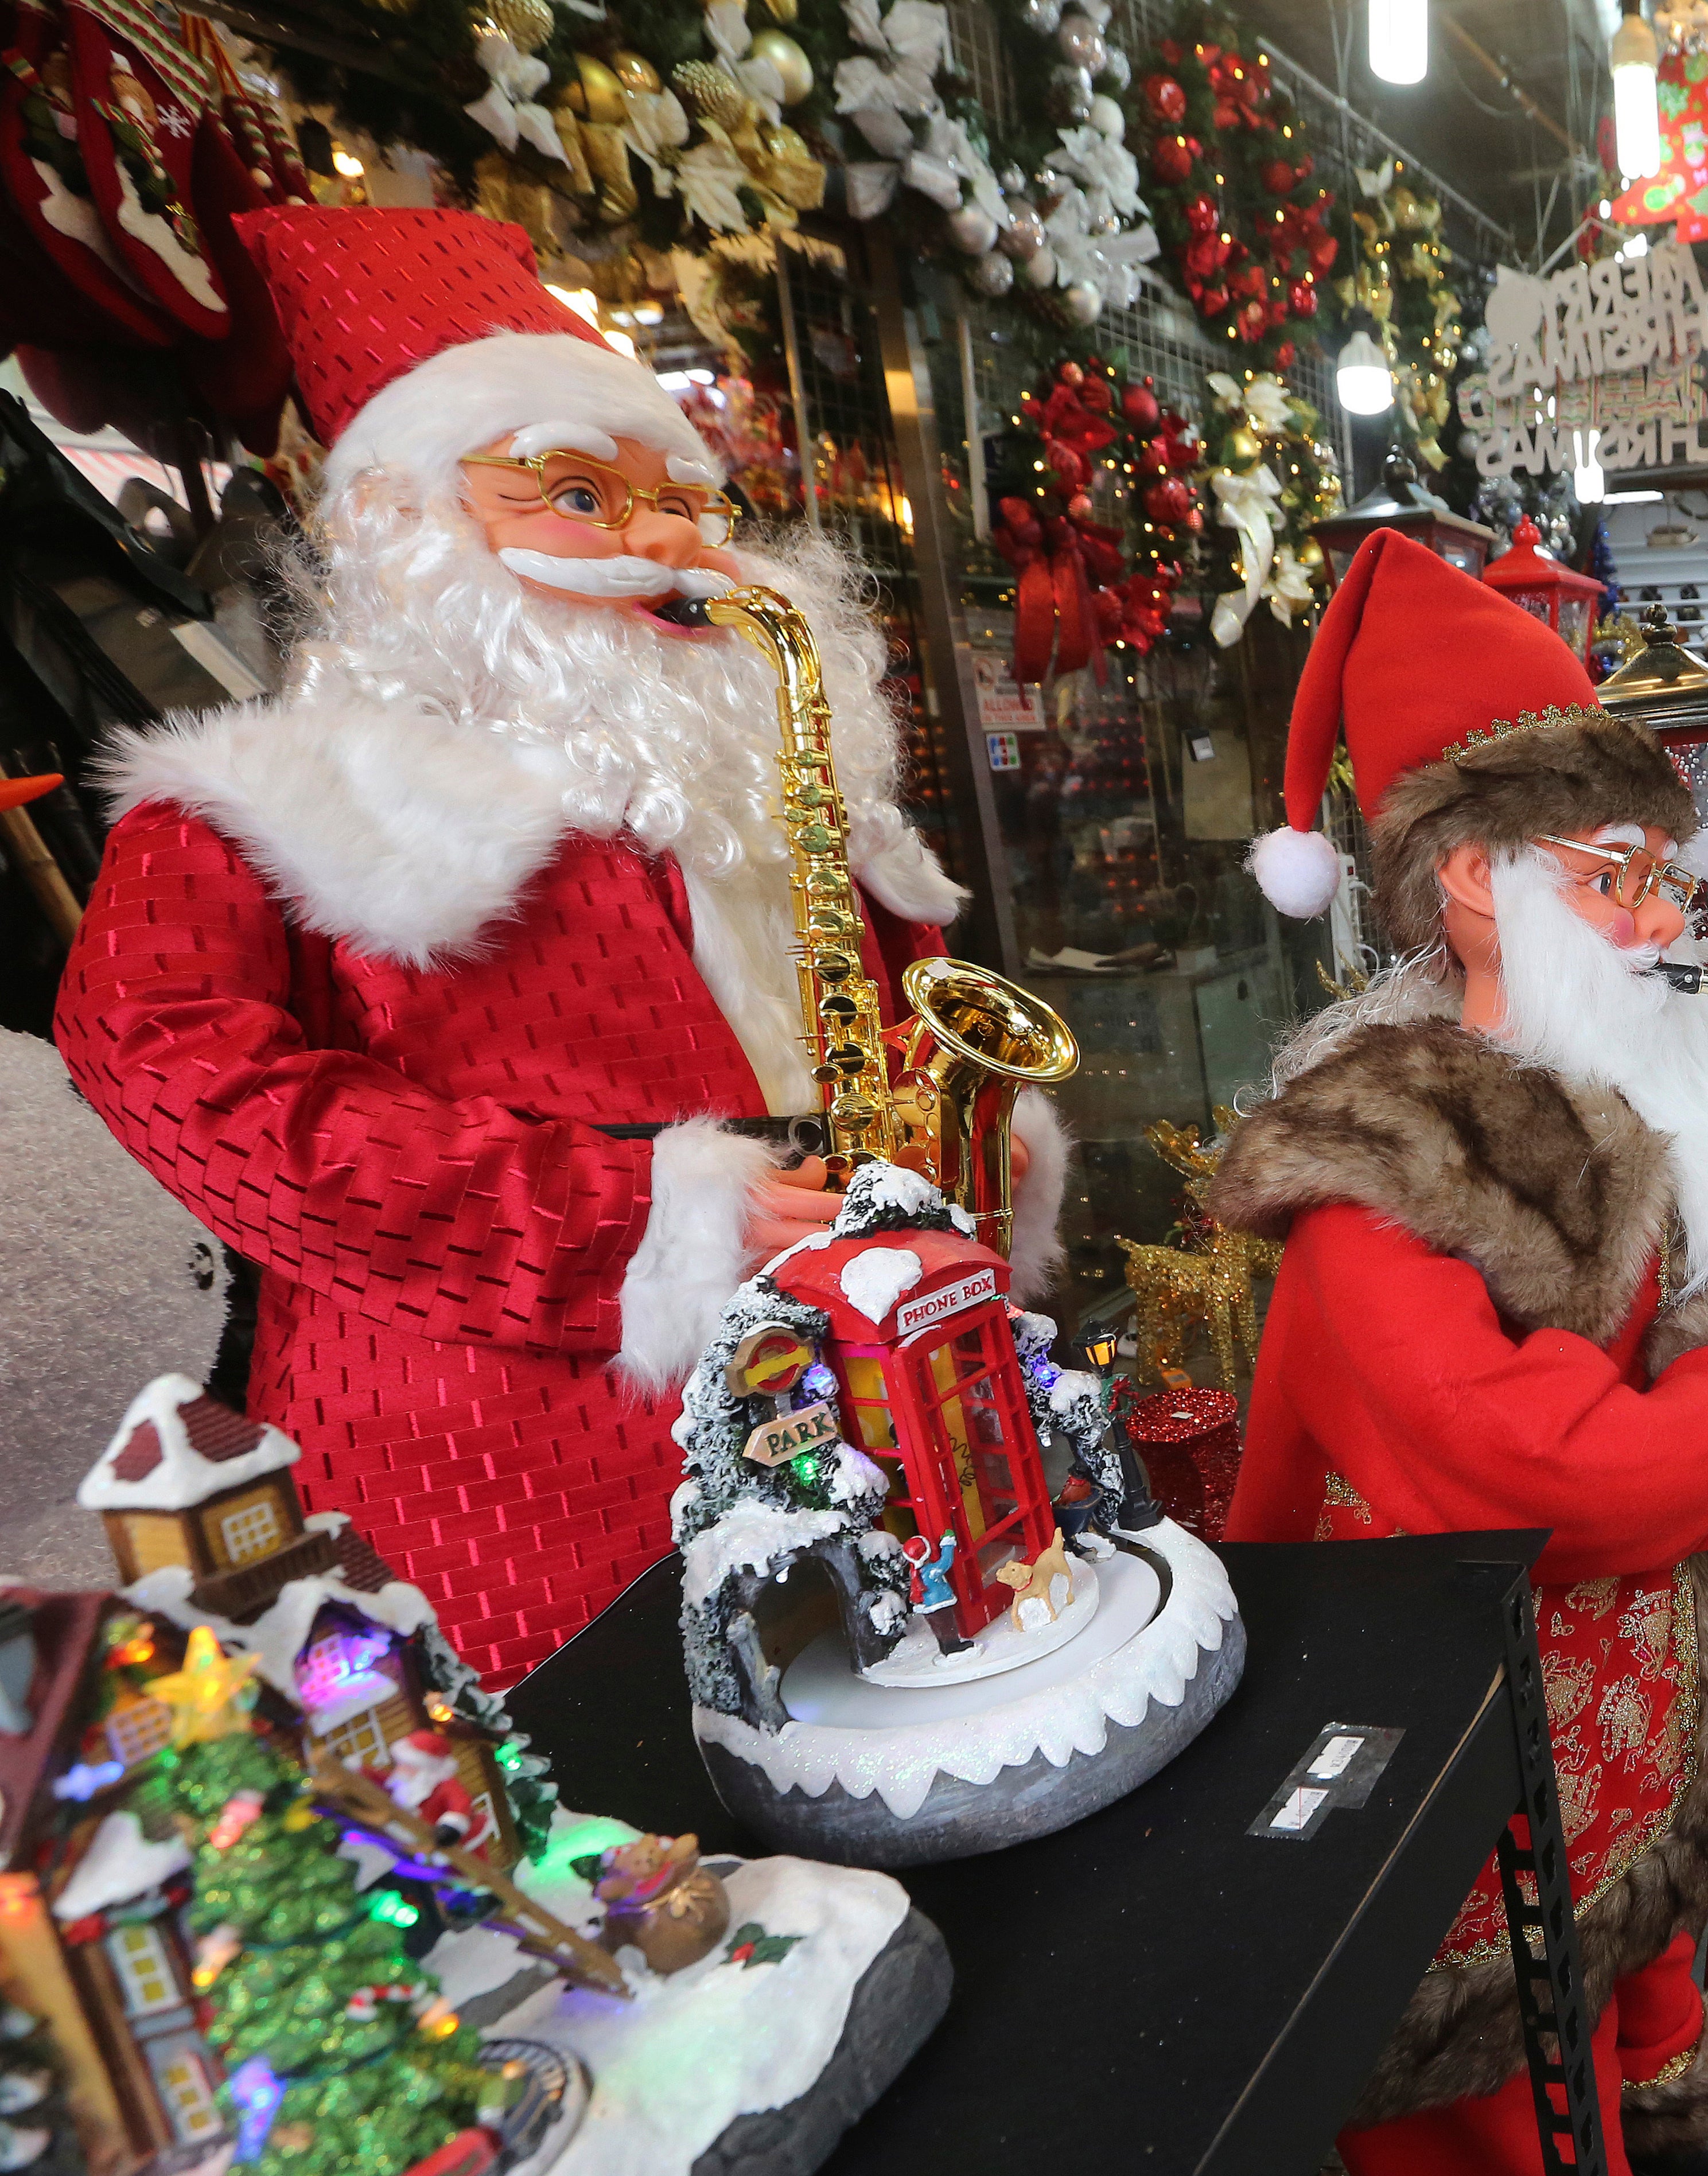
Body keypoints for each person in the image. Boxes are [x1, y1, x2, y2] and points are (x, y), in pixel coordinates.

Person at [52, 208, 1056, 1687]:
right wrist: (628, 1217)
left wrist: (970, 1140)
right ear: (408, 532)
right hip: (515, 1481)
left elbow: (906, 1003)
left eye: (681, 500)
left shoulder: (764, 754)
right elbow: (162, 1065)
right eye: (577, 494)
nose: (662, 544)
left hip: (861, 1392)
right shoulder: (267, 800)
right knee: (632, 1823)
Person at [1208, 532, 1708, 2176]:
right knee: (1504, 2085)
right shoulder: (1381, 1174)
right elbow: (1537, 1464)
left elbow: (1625, 1355)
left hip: (1586, 1679)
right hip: (1441, 1736)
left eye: (1656, 879)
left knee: (1632, 1924)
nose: (1662, 924)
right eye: (1613, 881)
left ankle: (1676, 2107)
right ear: (1464, 881)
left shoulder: (1557, 1079)